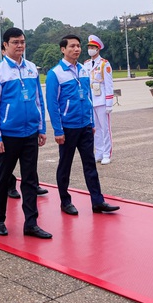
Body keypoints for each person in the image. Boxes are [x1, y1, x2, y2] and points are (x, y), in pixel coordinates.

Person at [0, 27, 51, 239]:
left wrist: (41, 128)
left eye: (22, 41)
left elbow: (38, 101)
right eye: (15, 42)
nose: (20, 45)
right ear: (5, 45)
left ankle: (31, 223)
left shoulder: (32, 68)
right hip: (8, 136)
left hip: (30, 133)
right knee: (3, 179)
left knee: (31, 179)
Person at [46, 35, 120, 216]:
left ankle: (97, 201)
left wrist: (92, 122)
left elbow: (89, 98)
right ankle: (65, 201)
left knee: (90, 165)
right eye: (72, 46)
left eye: (78, 46)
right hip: (68, 127)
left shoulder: (84, 70)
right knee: (65, 165)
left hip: (85, 125)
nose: (77, 49)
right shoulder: (55, 73)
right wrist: (58, 129)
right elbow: (52, 104)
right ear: (63, 49)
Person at [82, 35, 116, 164]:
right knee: (94, 129)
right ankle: (99, 152)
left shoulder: (104, 64)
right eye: (89, 47)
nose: (90, 49)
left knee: (105, 129)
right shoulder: (86, 64)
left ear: (98, 49)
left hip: (101, 100)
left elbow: (108, 84)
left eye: (93, 47)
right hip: (91, 101)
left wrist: (109, 103)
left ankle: (107, 153)